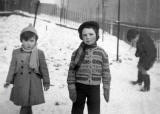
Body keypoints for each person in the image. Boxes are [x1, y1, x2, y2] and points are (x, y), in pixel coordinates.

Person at [4, 24, 50, 114]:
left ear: (36, 41)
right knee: (25, 103)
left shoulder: (39, 53)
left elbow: (44, 69)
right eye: (26, 40)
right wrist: (8, 80)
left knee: (26, 104)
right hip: (20, 82)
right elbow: (12, 67)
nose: (28, 43)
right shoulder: (16, 52)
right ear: (21, 40)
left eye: (31, 41)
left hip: (33, 83)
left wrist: (46, 82)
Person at [67, 21, 111, 114]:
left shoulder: (102, 53)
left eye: (91, 34)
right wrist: (71, 87)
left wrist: (106, 88)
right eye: (85, 35)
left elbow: (106, 72)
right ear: (81, 37)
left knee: (94, 110)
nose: (88, 37)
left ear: (96, 35)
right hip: (79, 87)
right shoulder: (76, 53)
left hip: (94, 88)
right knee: (77, 110)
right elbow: (71, 71)